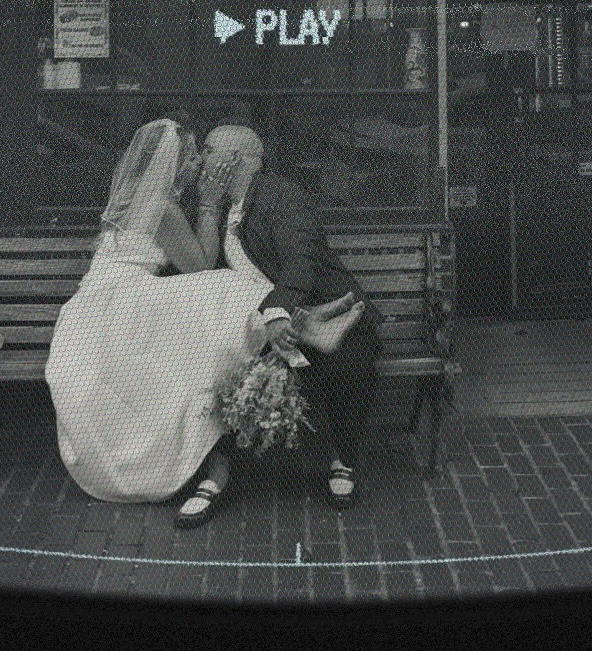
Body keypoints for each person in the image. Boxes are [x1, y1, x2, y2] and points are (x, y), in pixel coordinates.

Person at [44, 118, 364, 505]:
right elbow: (200, 267)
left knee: (218, 313)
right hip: (123, 304)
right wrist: (210, 205)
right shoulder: (165, 207)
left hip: (107, 304)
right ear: (174, 163)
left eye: (205, 154)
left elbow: (293, 256)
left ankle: (307, 326)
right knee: (226, 287)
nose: (198, 163)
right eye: (195, 155)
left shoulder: (139, 199)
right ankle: (310, 326)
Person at [175, 124, 383, 528]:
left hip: (324, 306)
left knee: (348, 364)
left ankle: (342, 459)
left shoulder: (280, 195)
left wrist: (278, 313)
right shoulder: (215, 205)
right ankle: (216, 476)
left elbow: (300, 259)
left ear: (234, 159)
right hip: (260, 325)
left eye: (210, 148)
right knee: (218, 370)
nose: (201, 157)